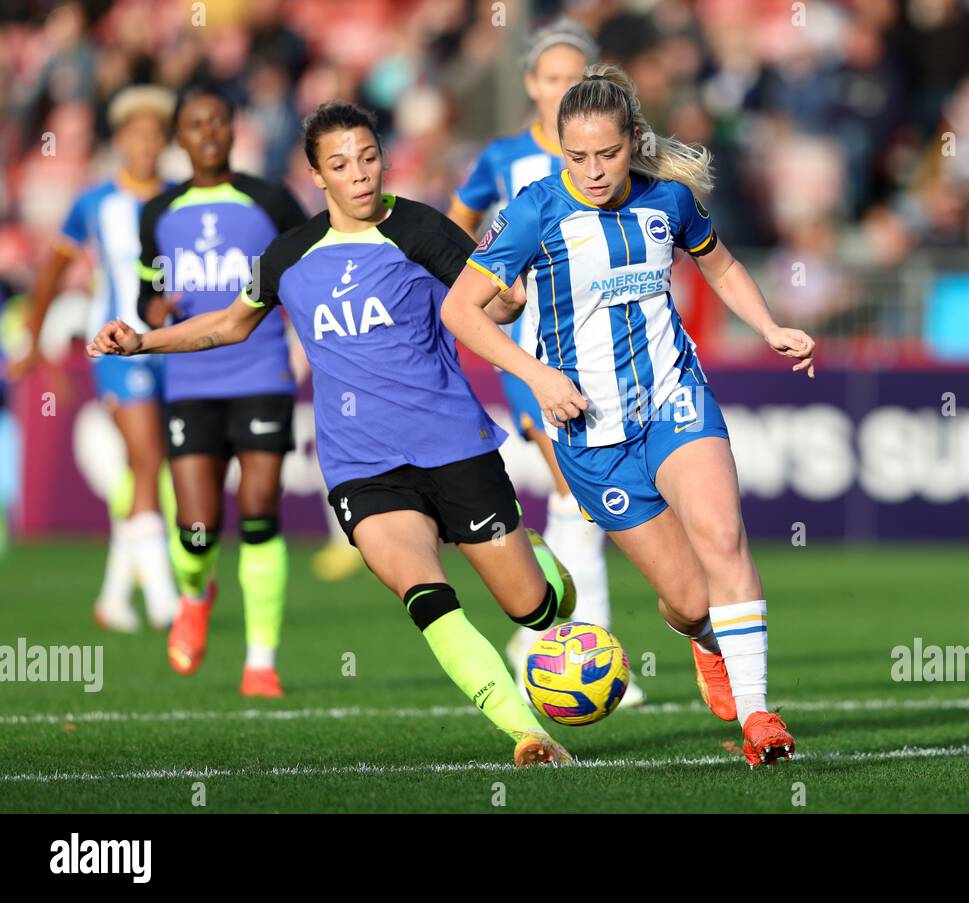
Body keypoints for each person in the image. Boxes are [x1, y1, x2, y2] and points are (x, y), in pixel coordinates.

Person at [91, 101, 578, 767]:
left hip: (455, 444)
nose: (359, 174)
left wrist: (510, 294)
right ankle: (528, 733)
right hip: (362, 464)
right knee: (426, 595)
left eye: (369, 157)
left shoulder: (419, 228)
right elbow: (230, 323)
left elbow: (489, 298)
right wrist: (140, 340)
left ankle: (542, 563)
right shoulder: (291, 253)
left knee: (534, 608)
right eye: (341, 164)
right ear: (317, 175)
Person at [442, 65, 816, 767]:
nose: (591, 169)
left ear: (633, 141)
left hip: (675, 402)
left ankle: (760, 716)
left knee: (723, 536)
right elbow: (459, 309)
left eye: (606, 154)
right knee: (686, 599)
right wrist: (537, 375)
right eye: (576, 156)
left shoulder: (669, 201)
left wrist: (768, 325)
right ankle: (705, 643)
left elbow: (724, 264)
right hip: (591, 436)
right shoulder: (533, 210)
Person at [447, 19, 641, 705]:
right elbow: (457, 227)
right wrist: (491, 282)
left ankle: (541, 631)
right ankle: (588, 646)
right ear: (532, 85)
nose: (560, 90)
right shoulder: (504, 158)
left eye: (573, 79)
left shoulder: (611, 160)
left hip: (611, 352)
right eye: (550, 78)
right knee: (576, 492)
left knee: (594, 497)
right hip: (532, 349)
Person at [135, 83, 307, 696]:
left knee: (260, 511)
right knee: (197, 529)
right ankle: (194, 592)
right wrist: (154, 314)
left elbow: (308, 269)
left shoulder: (270, 199)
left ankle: (261, 661)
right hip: (190, 380)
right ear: (179, 137)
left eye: (217, 122)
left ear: (234, 130)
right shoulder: (157, 212)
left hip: (261, 374)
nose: (208, 133)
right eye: (195, 124)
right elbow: (146, 295)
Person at [8, 85, 180, 632]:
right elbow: (54, 269)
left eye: (156, 134)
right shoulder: (95, 202)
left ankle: (113, 598)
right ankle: (163, 600)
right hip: (115, 346)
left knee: (145, 467)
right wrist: (34, 339)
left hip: (172, 345)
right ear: (122, 140)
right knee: (150, 460)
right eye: (137, 134)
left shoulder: (178, 197)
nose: (146, 144)